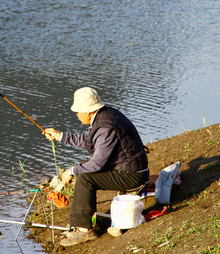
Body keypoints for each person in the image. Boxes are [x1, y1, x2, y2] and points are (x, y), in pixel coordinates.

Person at [43, 87, 149, 247]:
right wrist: (60, 136)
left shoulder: (105, 127)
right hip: (129, 168)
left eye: (78, 111)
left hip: (132, 174)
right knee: (85, 170)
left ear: (88, 111)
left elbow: (98, 163)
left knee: (85, 177)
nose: (76, 114)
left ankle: (84, 231)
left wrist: (72, 171)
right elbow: (90, 141)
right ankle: (84, 222)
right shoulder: (106, 115)